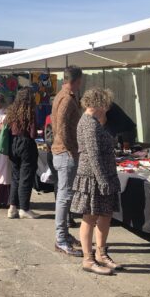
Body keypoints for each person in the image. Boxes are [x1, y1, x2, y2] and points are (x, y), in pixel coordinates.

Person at [71, 88, 122, 275]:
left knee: (105, 214)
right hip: (94, 177)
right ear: (98, 104)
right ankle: (88, 259)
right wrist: (102, 180)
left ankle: (101, 254)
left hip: (102, 175)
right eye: (105, 105)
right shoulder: (89, 124)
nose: (107, 109)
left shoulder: (92, 122)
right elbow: (93, 155)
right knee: (90, 217)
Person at [51, 66, 84, 256]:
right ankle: (61, 239)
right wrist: (73, 149)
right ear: (76, 81)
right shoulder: (67, 99)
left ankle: (64, 235)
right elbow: (62, 128)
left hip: (61, 151)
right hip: (65, 153)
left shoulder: (62, 95)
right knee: (64, 197)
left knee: (64, 196)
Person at [7, 88, 40, 219]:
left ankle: (12, 208)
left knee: (15, 178)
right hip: (26, 144)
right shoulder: (29, 112)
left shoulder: (12, 111)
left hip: (13, 144)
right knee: (26, 178)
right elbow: (32, 134)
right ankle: (24, 209)